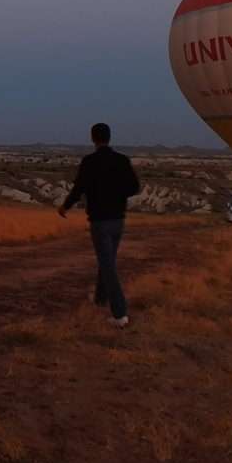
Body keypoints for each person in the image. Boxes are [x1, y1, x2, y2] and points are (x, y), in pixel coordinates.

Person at [58, 123, 140, 328]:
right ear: (109, 137)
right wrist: (117, 194)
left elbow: (78, 189)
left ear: (93, 138)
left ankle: (120, 314)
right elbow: (134, 187)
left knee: (107, 265)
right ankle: (100, 299)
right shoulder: (122, 160)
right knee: (108, 260)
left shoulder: (89, 162)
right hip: (118, 219)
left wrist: (65, 207)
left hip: (99, 220)